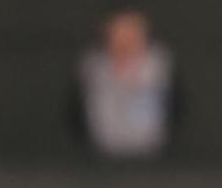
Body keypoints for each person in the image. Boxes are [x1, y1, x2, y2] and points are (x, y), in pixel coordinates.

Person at [72, 10, 178, 159]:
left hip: (150, 152)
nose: (126, 38)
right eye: (120, 31)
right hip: (101, 153)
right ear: (107, 32)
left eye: (133, 30)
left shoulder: (157, 64)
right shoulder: (93, 66)